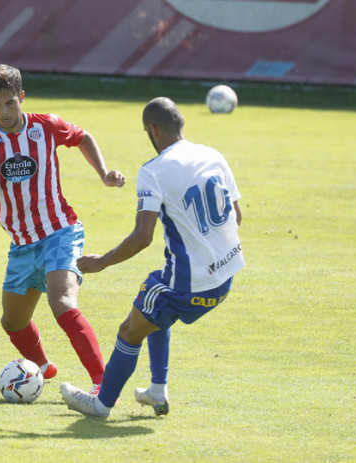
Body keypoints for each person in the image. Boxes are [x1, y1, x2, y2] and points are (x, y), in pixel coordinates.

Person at [0, 64, 126, 391]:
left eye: (10, 103)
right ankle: (40, 367)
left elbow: (83, 137)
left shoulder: (45, 126)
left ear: (21, 97)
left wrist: (104, 172)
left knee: (63, 303)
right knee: (12, 321)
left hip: (60, 232)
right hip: (21, 244)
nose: (4, 112)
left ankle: (103, 386)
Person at [60, 97, 244, 417]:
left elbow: (142, 237)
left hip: (191, 283)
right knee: (154, 298)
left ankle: (101, 404)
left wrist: (103, 260)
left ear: (153, 131)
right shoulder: (213, 155)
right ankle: (157, 391)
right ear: (182, 122)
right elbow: (236, 217)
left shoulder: (153, 171)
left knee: (129, 329)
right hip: (225, 276)